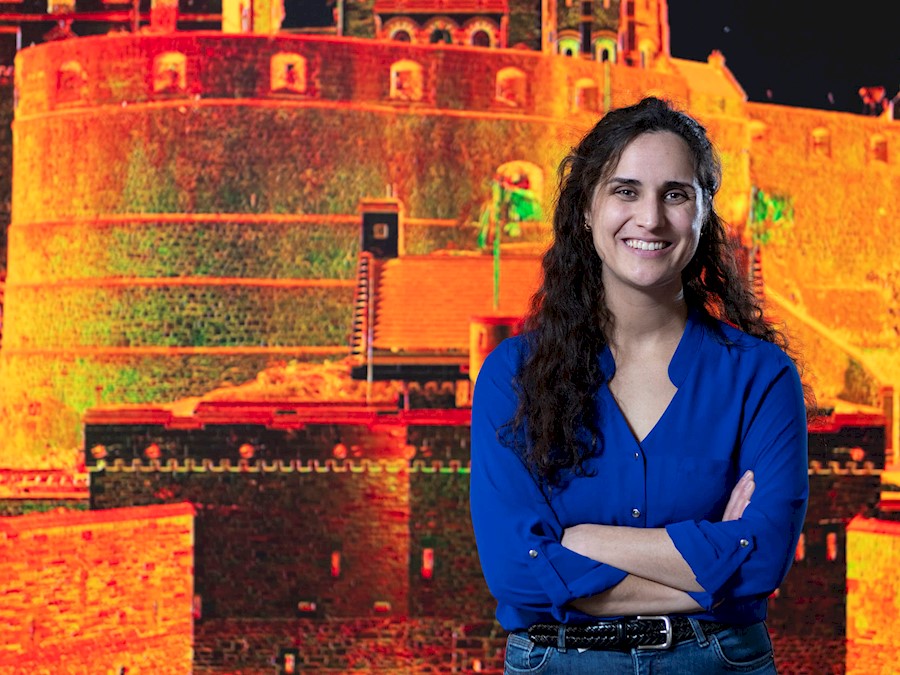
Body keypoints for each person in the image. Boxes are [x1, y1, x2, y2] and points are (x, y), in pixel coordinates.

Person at [469, 96, 811, 674]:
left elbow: (764, 561)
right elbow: (512, 571)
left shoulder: (762, 377)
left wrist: (578, 543)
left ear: (703, 215)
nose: (650, 218)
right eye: (625, 191)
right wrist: (712, 561)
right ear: (586, 209)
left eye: (675, 194)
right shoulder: (512, 376)